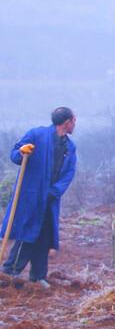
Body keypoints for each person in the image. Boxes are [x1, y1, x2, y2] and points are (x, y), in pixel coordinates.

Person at [1, 107, 77, 288]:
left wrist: (55, 191)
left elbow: (68, 173)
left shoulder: (70, 147)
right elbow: (14, 155)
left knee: (44, 235)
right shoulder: (36, 135)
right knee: (27, 233)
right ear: (67, 122)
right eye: (74, 121)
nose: (75, 125)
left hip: (50, 199)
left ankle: (37, 276)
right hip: (31, 196)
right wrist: (22, 152)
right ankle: (9, 273)